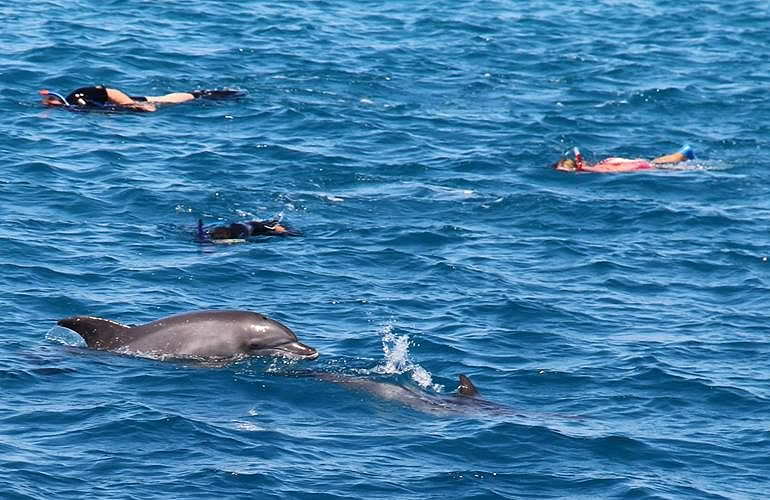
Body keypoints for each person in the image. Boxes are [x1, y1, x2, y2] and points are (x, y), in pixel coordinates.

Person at [39, 85, 244, 112]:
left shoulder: (79, 97)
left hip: (129, 99)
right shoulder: (75, 106)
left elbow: (109, 91)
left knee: (168, 100)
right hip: (126, 104)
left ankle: (205, 95)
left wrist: (130, 104)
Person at [553, 145, 695, 173]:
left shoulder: (584, 168)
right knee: (654, 163)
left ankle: (683, 154)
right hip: (614, 163)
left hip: (625, 167)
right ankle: (683, 153)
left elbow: (580, 166)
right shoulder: (588, 166)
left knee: (657, 166)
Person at [197, 218, 301, 242]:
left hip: (258, 227)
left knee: (286, 234)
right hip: (242, 225)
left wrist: (278, 229)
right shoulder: (213, 233)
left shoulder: (241, 235)